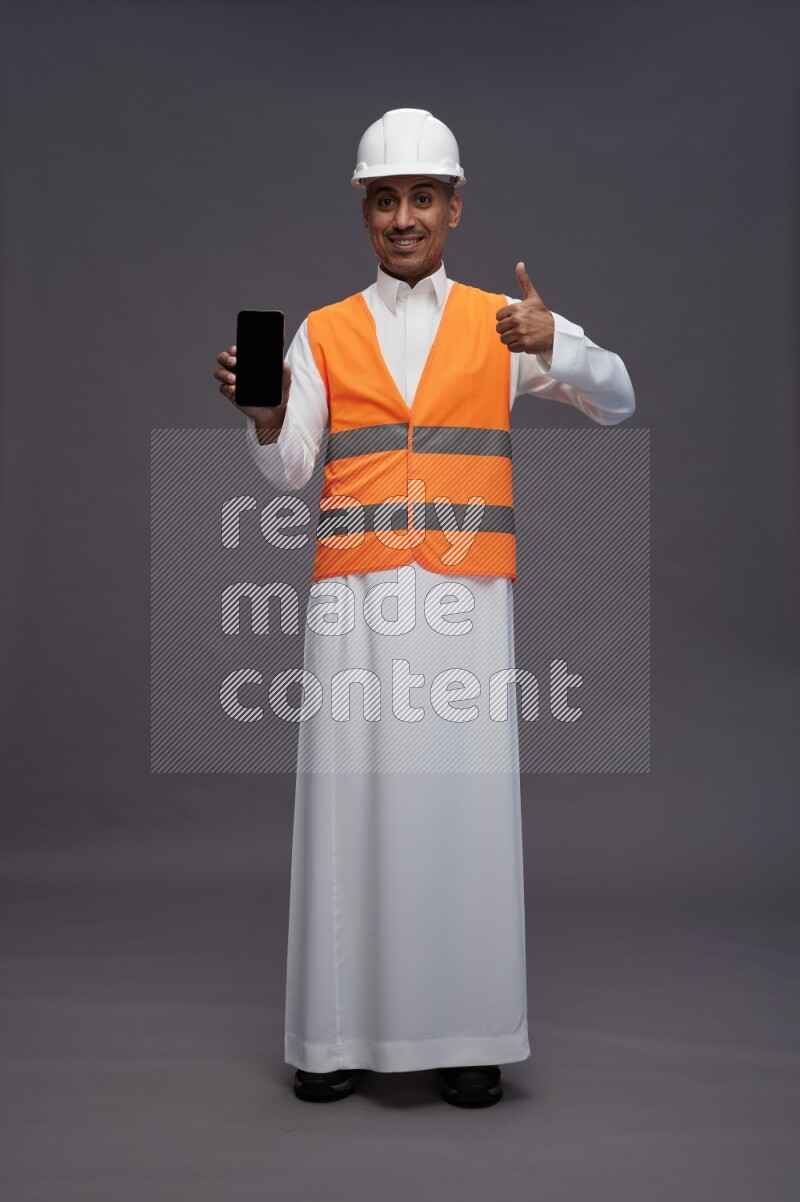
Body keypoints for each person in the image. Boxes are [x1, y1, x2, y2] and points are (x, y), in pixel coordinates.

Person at [214, 108, 635, 1108]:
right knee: (346, 806)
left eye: (419, 198)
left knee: (461, 808)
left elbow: (616, 399)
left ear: (452, 205)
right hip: (353, 600)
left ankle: (467, 1033)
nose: (401, 217)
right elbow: (286, 472)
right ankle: (332, 1034)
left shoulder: (504, 322)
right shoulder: (324, 330)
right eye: (383, 199)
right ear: (366, 211)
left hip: (462, 602)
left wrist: (562, 344)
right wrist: (267, 411)